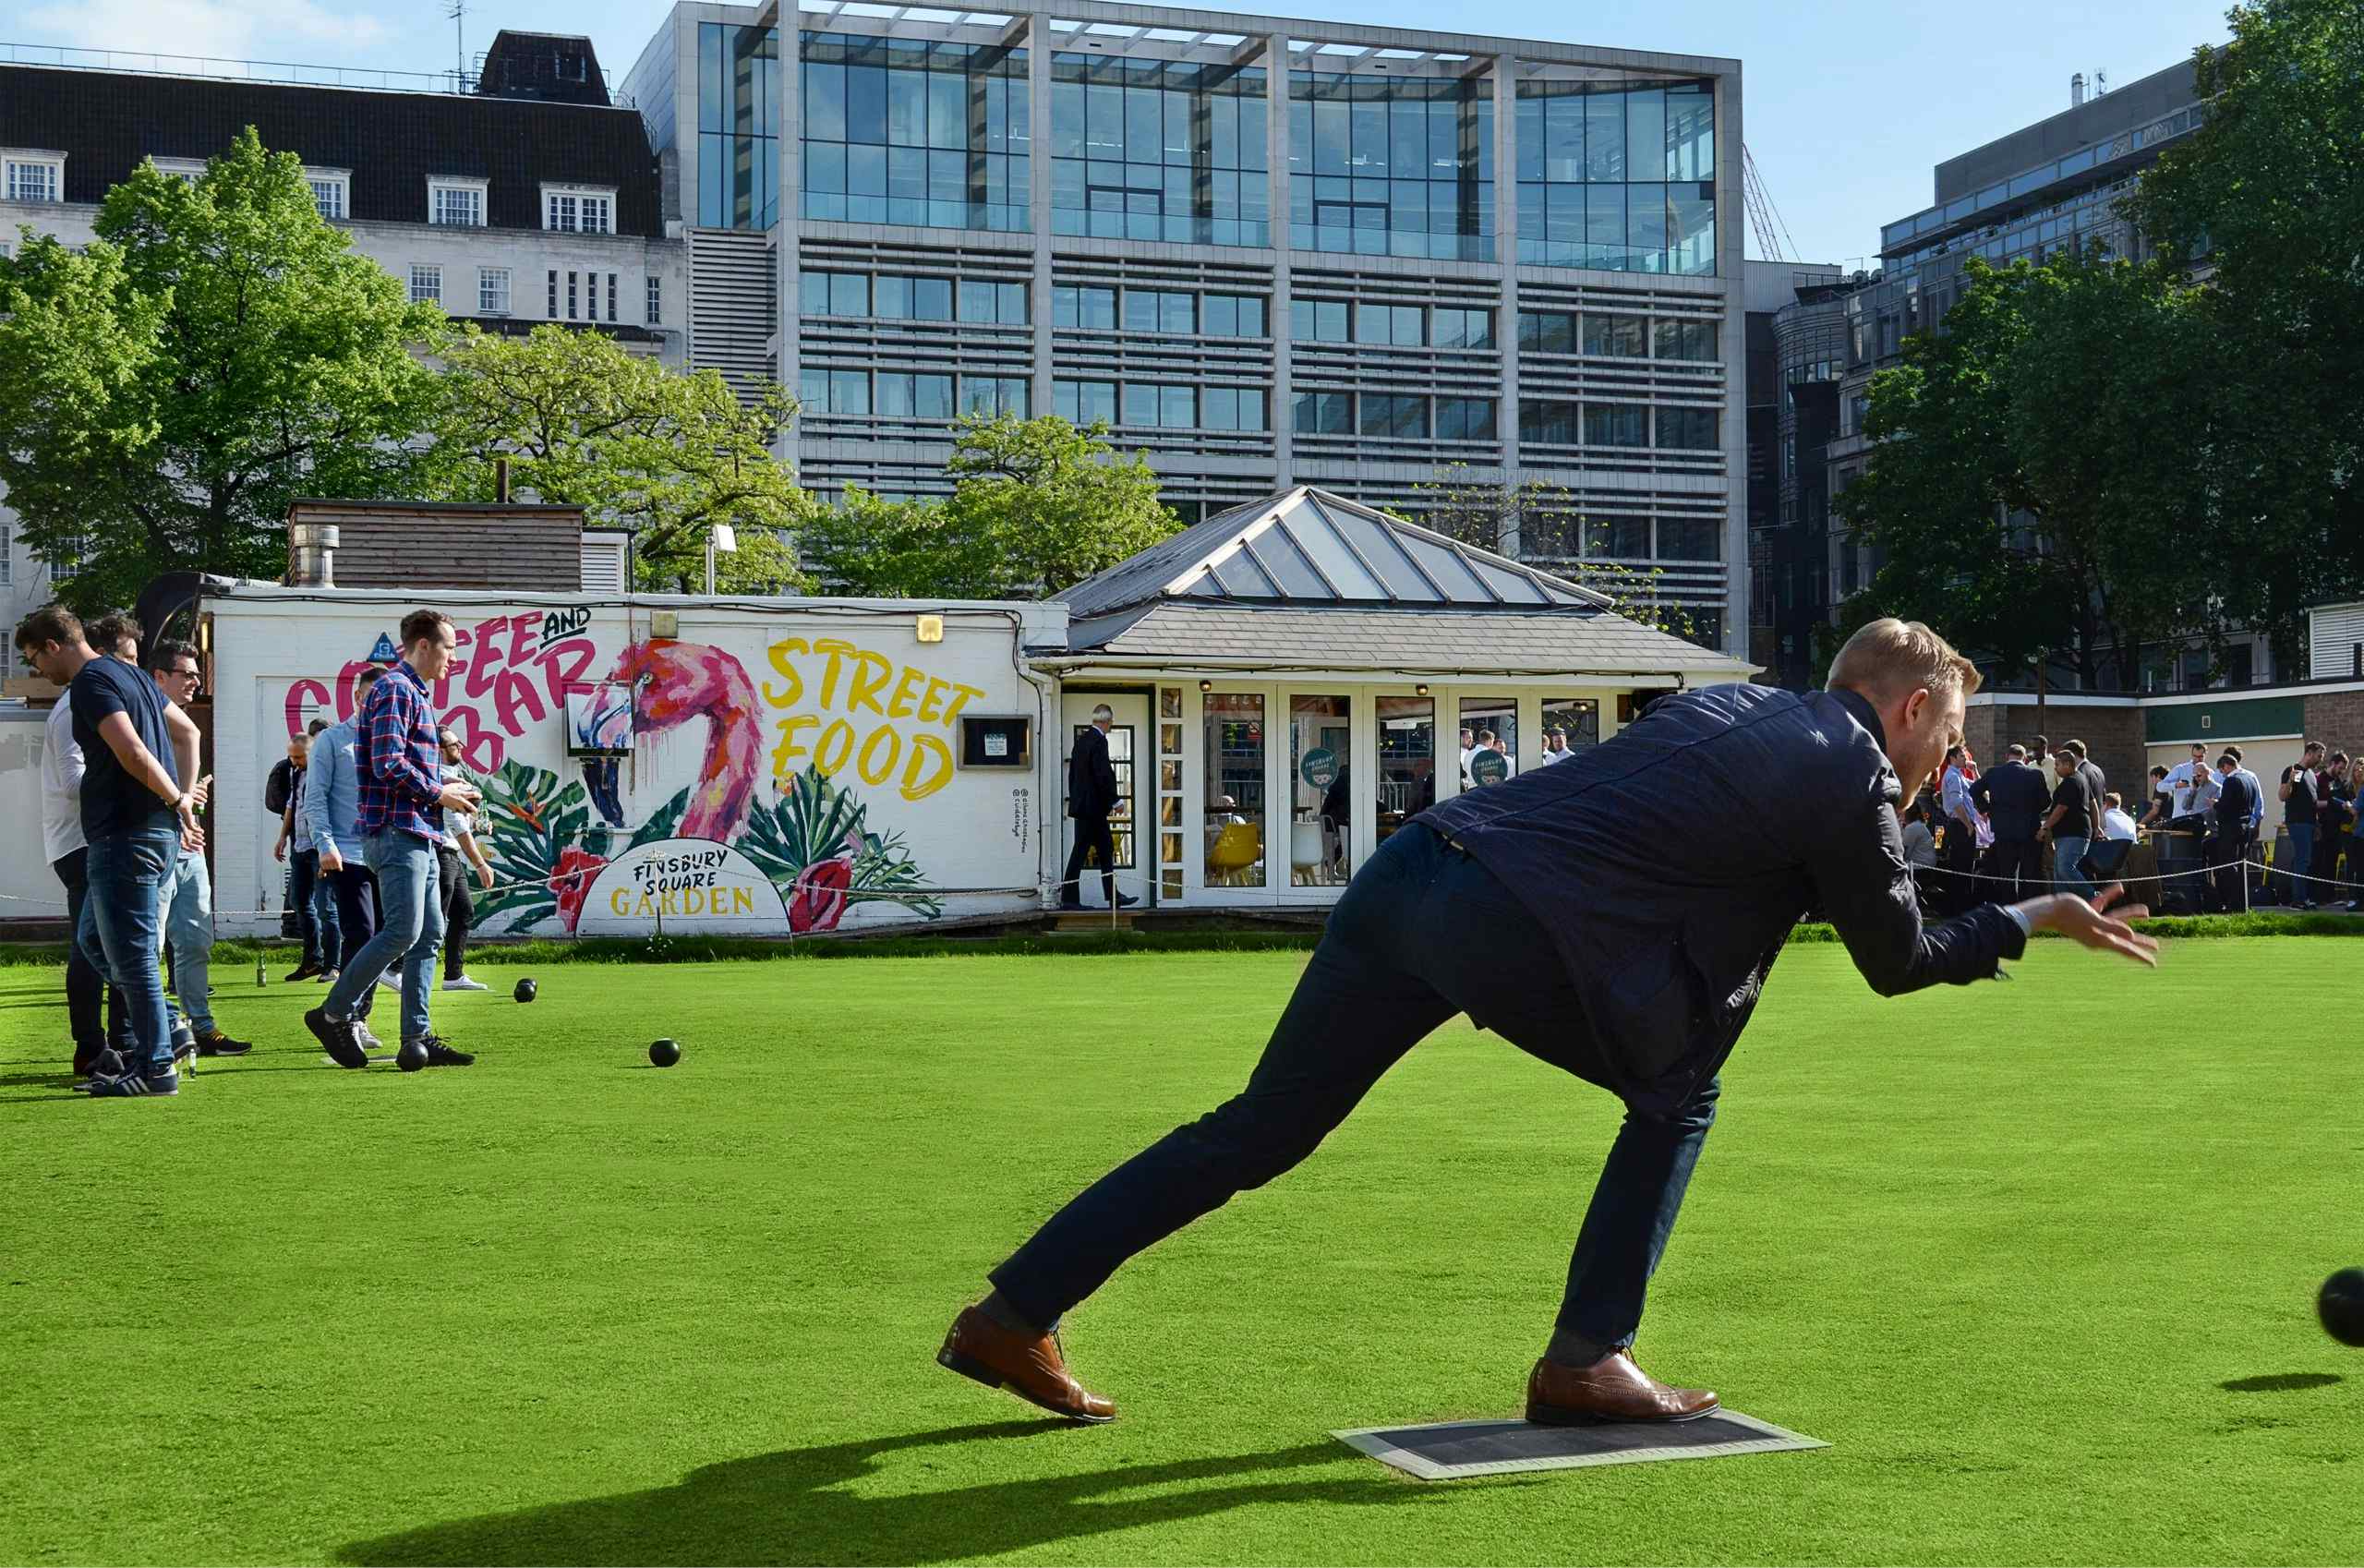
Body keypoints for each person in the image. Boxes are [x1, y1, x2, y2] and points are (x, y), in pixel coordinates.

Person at [935, 619, 2156, 1426]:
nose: (1948, 761)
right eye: (1949, 736)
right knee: (1679, 1093)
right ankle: (1586, 1358)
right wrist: (2034, 914)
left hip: (1412, 876)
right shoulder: (1852, 768)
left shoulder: (1732, 710)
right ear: (1911, 707)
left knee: (1257, 1129)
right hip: (1507, 919)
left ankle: (1014, 1314)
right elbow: (1896, 961)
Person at [17, 607, 203, 1097]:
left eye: (35, 657)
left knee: (132, 954)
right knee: (96, 943)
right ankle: (166, 1028)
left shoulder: (90, 682)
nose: (38, 669)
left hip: (127, 833)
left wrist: (178, 800)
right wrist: (180, 797)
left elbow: (132, 751)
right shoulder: (134, 675)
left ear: (54, 645)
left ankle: (156, 1068)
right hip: (141, 832)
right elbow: (187, 733)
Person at [306, 610, 482, 1069]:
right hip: (397, 831)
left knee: (430, 934)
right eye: (449, 648)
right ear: (423, 645)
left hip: (420, 831)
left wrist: (448, 785)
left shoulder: (413, 693)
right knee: (403, 931)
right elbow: (388, 763)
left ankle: (416, 1038)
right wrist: (440, 792)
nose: (454, 658)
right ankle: (332, 1013)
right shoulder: (396, 689)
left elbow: (404, 763)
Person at [143, 636, 249, 1058]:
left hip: (190, 847)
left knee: (195, 940)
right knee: (148, 946)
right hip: (159, 845)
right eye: (187, 674)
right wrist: (180, 802)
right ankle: (155, 1033)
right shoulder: (140, 723)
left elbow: (182, 794)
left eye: (197, 675)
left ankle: (201, 1029)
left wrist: (193, 800)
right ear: (159, 677)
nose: (195, 682)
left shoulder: (185, 724)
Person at [36, 612, 129, 1076]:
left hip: (89, 837)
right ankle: (94, 1047)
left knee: (111, 943)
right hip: (82, 842)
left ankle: (118, 1042)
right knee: (94, 945)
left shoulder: (91, 696)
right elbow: (74, 783)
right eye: (127, 657)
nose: (132, 668)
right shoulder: (77, 704)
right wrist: (131, 773)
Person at [306, 666, 388, 1018]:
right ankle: (345, 1016)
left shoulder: (394, 742)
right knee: (363, 934)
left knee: (387, 937)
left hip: (388, 854)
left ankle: (357, 1016)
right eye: (373, 698)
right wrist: (325, 844)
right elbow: (314, 798)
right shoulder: (332, 740)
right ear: (358, 697)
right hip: (347, 853)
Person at [434, 727, 496, 992]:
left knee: (463, 911)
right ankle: (397, 968)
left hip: (451, 855)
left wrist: (476, 821)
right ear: (439, 750)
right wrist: (480, 863)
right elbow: (456, 826)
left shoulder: (455, 775)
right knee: (434, 919)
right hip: (439, 852)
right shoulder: (440, 777)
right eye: (453, 744)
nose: (460, 746)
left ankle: (453, 975)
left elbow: (462, 822)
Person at [1058, 704, 1134, 911]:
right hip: (1094, 808)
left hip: (1083, 806)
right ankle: (1071, 899)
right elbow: (1103, 773)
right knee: (1085, 850)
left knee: (1102, 848)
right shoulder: (1099, 741)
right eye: (1111, 722)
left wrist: (1077, 799)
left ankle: (1111, 895)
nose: (1111, 725)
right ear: (1106, 721)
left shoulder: (1082, 741)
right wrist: (1115, 800)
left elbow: (1074, 775)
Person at [1969, 743, 2050, 901]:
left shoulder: (1994, 773)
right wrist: (2033, 811)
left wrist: (1986, 810)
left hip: (2003, 830)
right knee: (2029, 873)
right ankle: (2028, 906)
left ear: (2007, 756)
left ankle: (2008, 905)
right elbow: (2046, 801)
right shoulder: (2035, 775)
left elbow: (1974, 790)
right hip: (2029, 830)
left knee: (2006, 873)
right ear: (2025, 759)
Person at [1936, 744, 1986, 915]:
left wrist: (1974, 770)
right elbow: (1956, 803)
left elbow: (1979, 788)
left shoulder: (1960, 775)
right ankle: (1959, 907)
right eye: (1962, 756)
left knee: (1966, 866)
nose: (1966, 759)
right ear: (1952, 758)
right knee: (1961, 867)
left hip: (1963, 824)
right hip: (1960, 825)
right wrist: (1968, 825)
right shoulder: (1952, 776)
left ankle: (1963, 906)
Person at [2042, 748, 2096, 900]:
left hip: (2073, 833)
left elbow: (2061, 808)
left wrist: (2045, 827)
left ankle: (2094, 897)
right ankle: (2064, 905)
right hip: (2069, 834)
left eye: (2057, 765)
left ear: (2067, 764)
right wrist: (2096, 827)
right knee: (2059, 874)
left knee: (2065, 869)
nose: (2055, 768)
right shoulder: (2081, 779)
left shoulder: (2071, 782)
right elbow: (2093, 805)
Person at [2208, 752, 2259, 912]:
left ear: (2227, 766)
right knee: (2242, 865)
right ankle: (2244, 903)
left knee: (2229, 866)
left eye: (2222, 770)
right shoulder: (2250, 779)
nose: (2222, 774)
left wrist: (2215, 804)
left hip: (2231, 828)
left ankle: (2233, 904)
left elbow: (2226, 805)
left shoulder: (2231, 781)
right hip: (2246, 826)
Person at [2277, 742, 2324, 908]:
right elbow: (2282, 796)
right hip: (2298, 822)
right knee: (2302, 860)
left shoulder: (2311, 775)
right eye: (2319, 756)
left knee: (2305, 860)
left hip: (2310, 823)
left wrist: (2316, 824)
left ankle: (2302, 897)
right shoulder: (2294, 771)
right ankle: (2299, 900)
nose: (2320, 760)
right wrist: (2290, 781)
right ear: (2309, 753)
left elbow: (2312, 801)